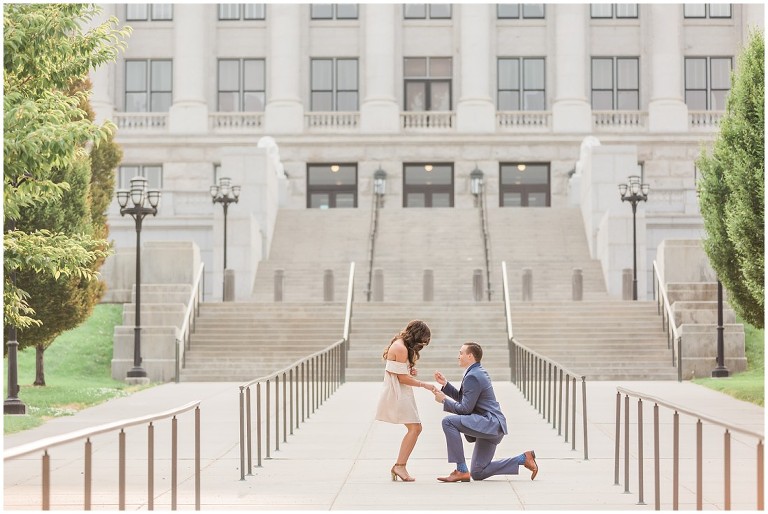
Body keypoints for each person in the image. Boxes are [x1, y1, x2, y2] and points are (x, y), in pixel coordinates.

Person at [431, 341, 538, 482]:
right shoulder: (476, 372)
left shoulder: (473, 376)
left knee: (448, 422)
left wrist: (444, 400)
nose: (458, 356)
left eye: (461, 353)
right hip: (492, 427)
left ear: (470, 356)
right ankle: (523, 459)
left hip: (489, 424)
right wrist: (445, 385)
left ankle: (461, 470)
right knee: (478, 472)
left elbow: (465, 409)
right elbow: (467, 401)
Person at [375, 319, 436, 482]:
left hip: (400, 391)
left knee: (415, 428)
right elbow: (401, 379)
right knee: (415, 428)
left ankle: (400, 465)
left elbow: (400, 372)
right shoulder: (401, 348)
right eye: (422, 342)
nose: (421, 346)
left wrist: (408, 369)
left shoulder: (399, 343)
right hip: (398, 392)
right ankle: (399, 466)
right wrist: (424, 385)